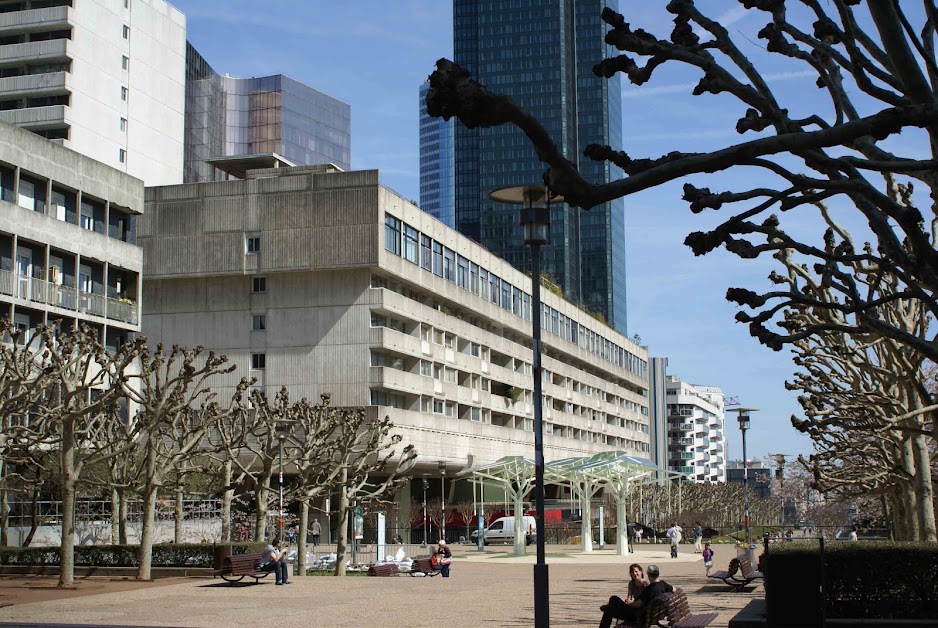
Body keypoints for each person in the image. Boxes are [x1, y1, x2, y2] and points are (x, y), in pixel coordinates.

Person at [598, 564, 673, 628]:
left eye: (636, 571)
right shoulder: (663, 584)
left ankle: (607, 607)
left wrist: (629, 604)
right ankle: (608, 607)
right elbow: (675, 589)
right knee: (610, 607)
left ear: (647, 573)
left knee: (612, 603)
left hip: (638, 616)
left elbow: (638, 604)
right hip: (647, 614)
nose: (634, 573)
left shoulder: (650, 588)